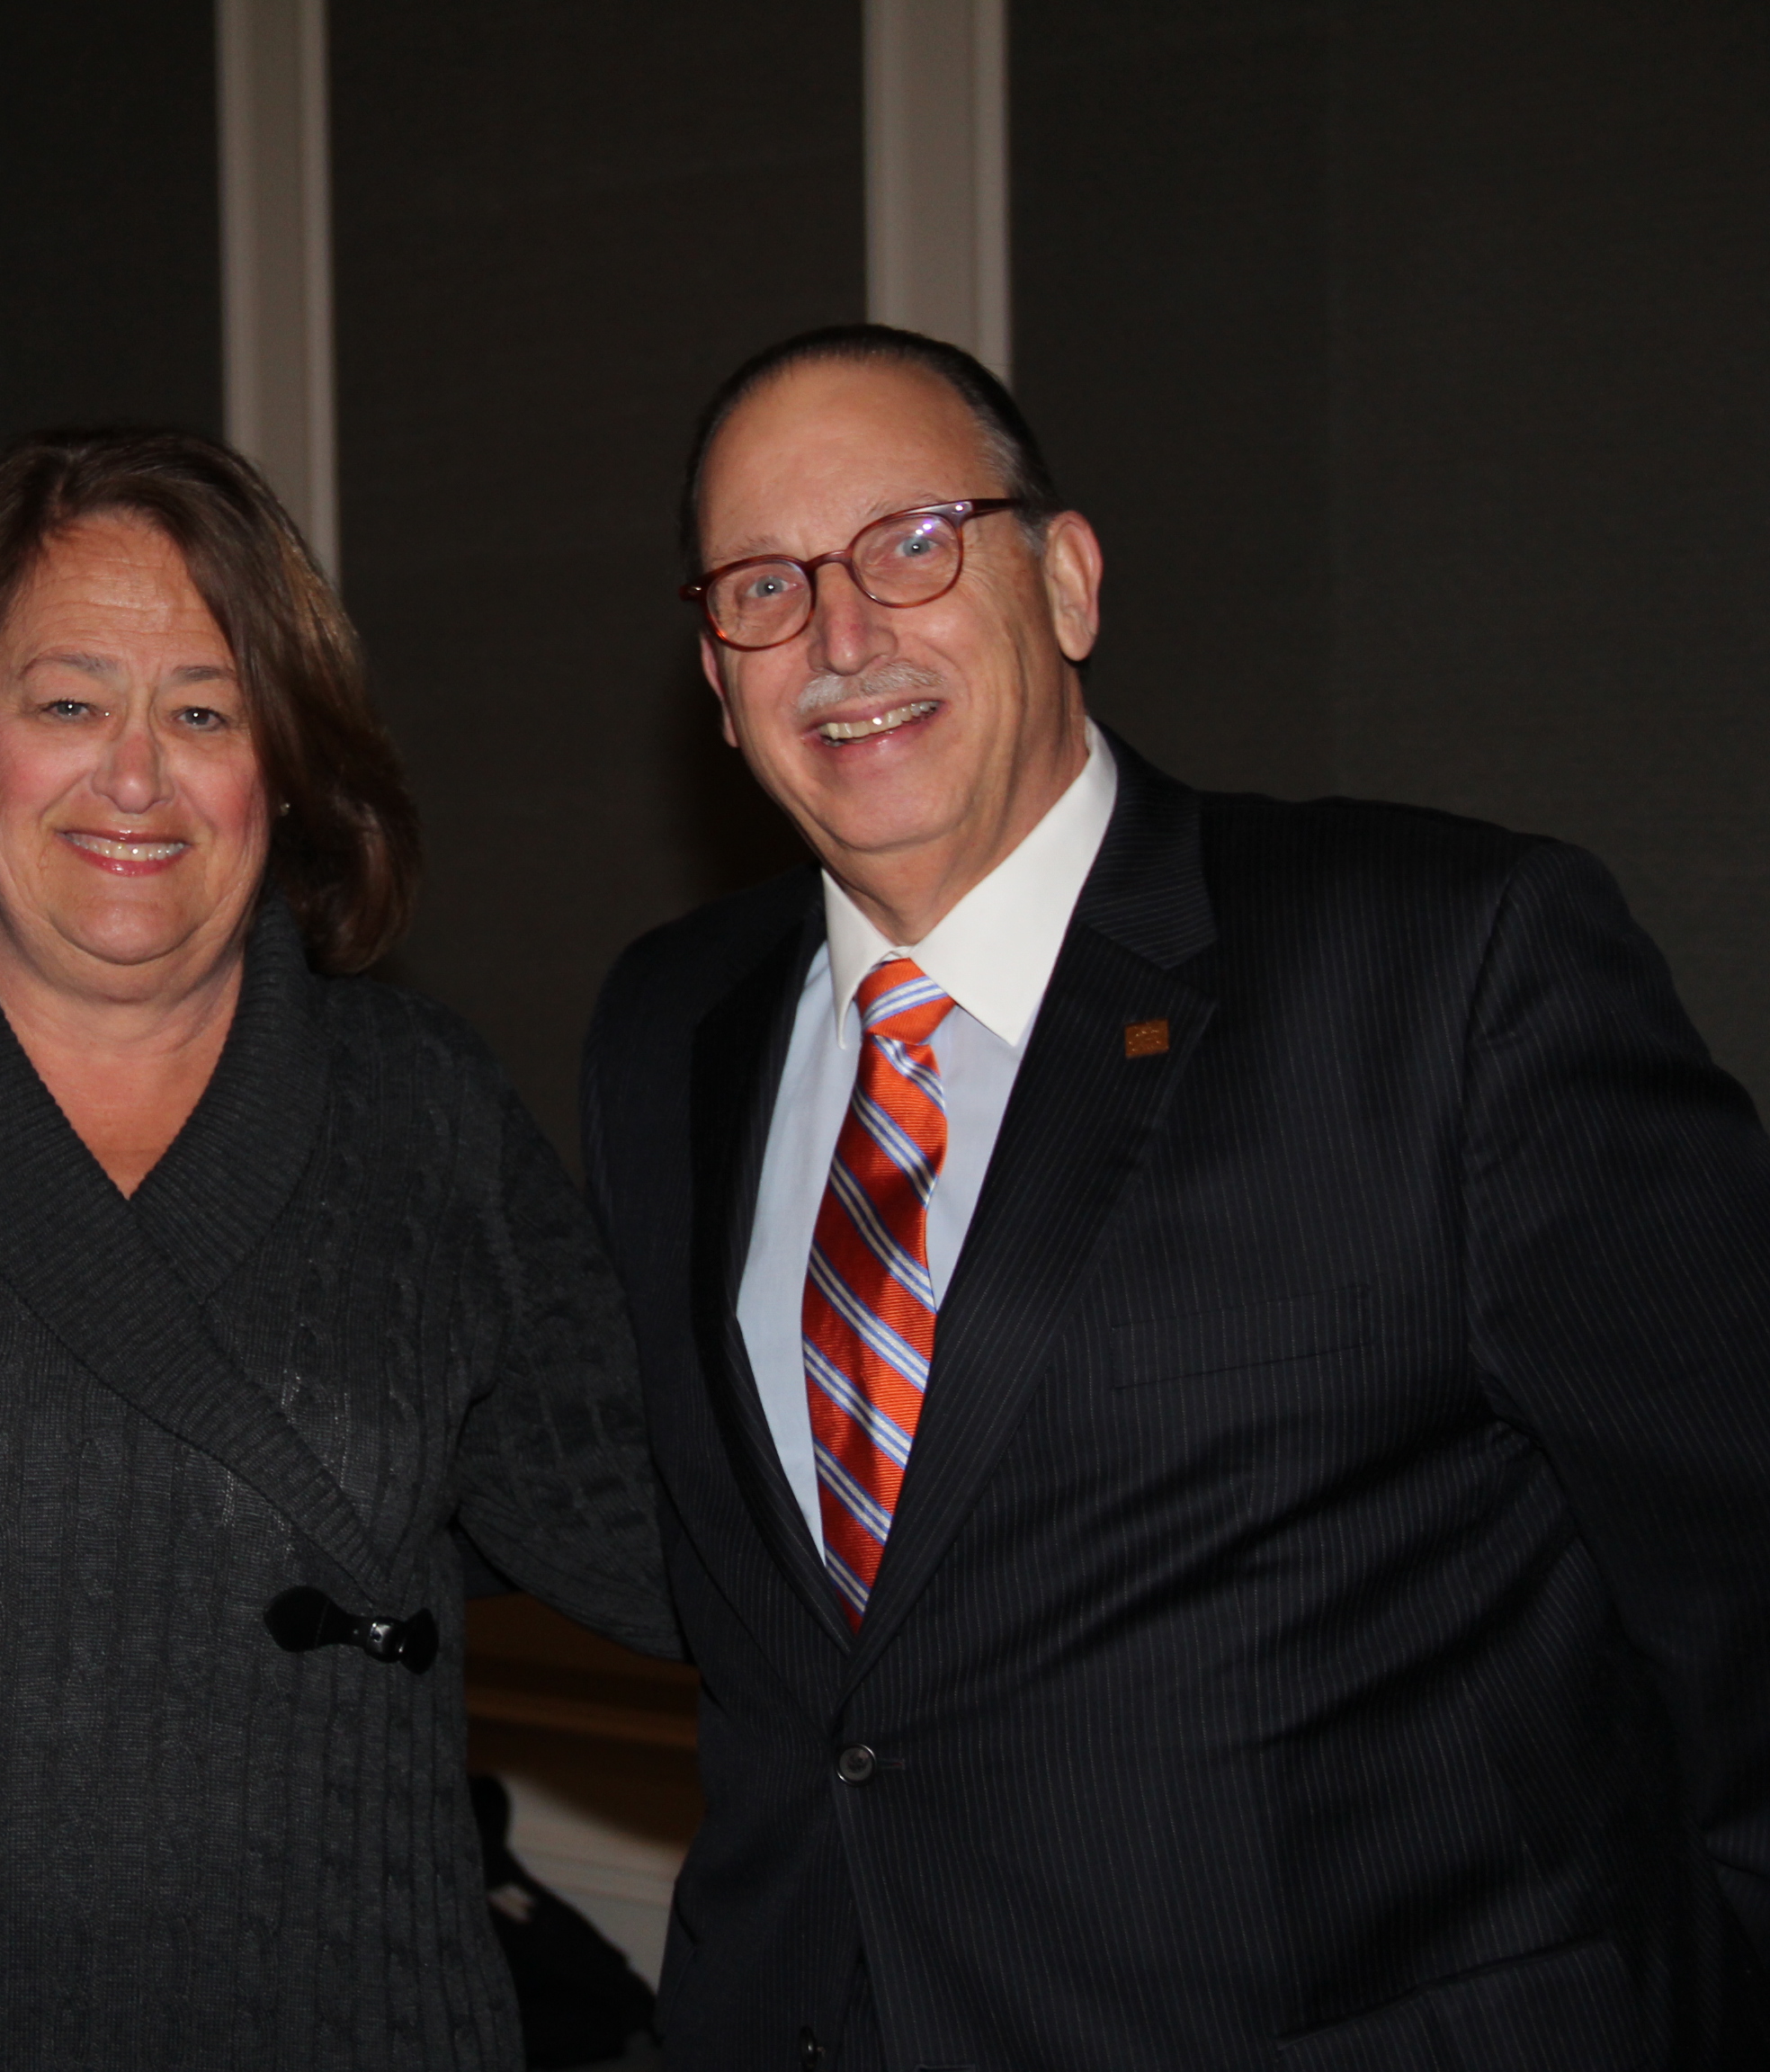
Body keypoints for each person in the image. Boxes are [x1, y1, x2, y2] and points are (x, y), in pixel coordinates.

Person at [582, 321, 1770, 2068]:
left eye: (914, 545)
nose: (842, 636)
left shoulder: (1443, 968)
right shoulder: (669, 1028)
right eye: (763, 586)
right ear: (713, 666)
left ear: (1064, 580)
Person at [0, 428, 675, 2069]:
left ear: (280, 770)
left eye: (203, 711)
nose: (134, 776)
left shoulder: (423, 1112)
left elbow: (668, 1532)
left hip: (354, 2015)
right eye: (68, 703)